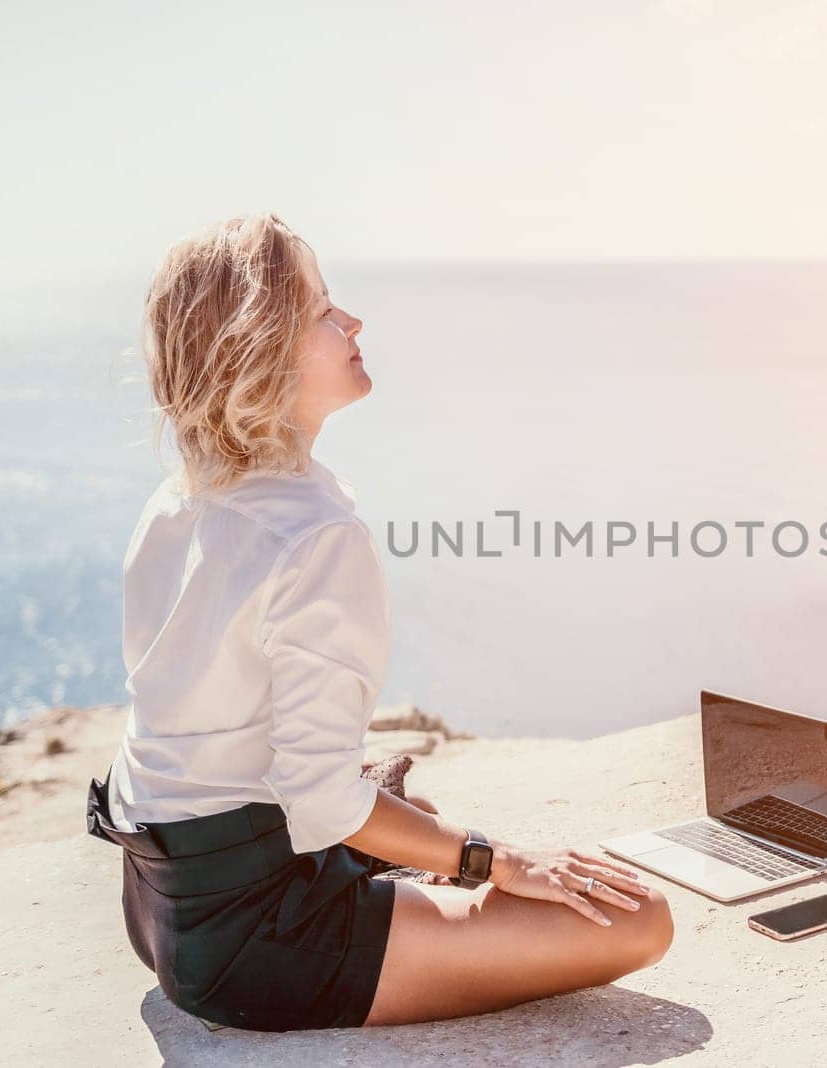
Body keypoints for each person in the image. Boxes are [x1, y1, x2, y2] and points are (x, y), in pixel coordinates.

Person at [85, 212, 673, 1032]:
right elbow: (323, 804)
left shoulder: (183, 497)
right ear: (260, 349)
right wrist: (500, 862)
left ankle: (399, 883)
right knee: (638, 917)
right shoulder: (314, 534)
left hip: (159, 905)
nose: (351, 321)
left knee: (410, 806)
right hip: (253, 949)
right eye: (322, 310)